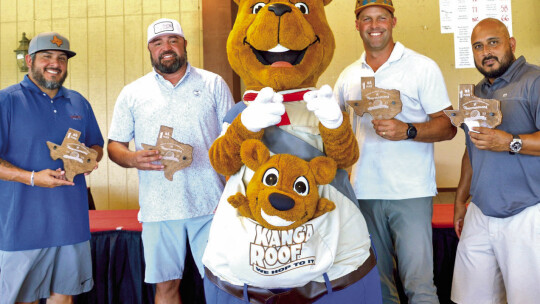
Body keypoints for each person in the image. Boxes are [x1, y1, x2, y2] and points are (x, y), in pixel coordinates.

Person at [334, 1, 457, 303]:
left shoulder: (422, 67)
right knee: (378, 285)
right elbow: (334, 131)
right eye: (366, 19)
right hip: (364, 191)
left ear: (393, 21)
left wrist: (408, 130)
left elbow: (449, 126)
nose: (374, 25)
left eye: (381, 18)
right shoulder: (348, 76)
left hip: (411, 192)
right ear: (357, 25)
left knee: (420, 286)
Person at [107, 18, 234, 303]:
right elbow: (115, 146)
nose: (166, 47)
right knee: (165, 288)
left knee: (223, 285)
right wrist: (132, 159)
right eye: (157, 42)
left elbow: (232, 140)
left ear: (184, 44)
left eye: (173, 40)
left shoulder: (213, 83)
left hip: (211, 206)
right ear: (149, 49)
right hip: (158, 208)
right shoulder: (132, 93)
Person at [0, 32, 104, 304]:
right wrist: (32, 178)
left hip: (71, 223)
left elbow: (96, 145)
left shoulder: (79, 102)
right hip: (21, 227)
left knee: (64, 298)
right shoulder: (6, 101)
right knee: (23, 300)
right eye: (46, 56)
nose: (54, 63)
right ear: (29, 60)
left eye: (61, 58)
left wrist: (88, 159)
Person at [451, 18, 540, 304]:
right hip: (480, 212)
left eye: (493, 42)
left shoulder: (534, 81)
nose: (486, 51)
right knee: (469, 299)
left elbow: (505, 142)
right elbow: (471, 151)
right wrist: (460, 201)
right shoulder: (475, 94)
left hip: (526, 212)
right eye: (478, 46)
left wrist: (510, 142)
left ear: (511, 44)